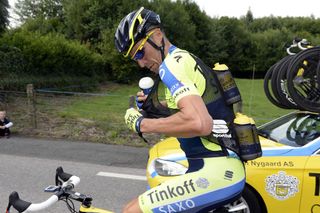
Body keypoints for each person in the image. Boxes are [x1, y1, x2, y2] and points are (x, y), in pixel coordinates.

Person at [115, 7, 246, 213]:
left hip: (217, 171)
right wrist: (154, 108)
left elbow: (199, 123)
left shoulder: (170, 67)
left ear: (157, 35)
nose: (140, 63)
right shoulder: (182, 58)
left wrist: (142, 124)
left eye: (140, 51)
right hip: (214, 166)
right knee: (131, 207)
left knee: (132, 212)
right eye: (134, 58)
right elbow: (193, 108)